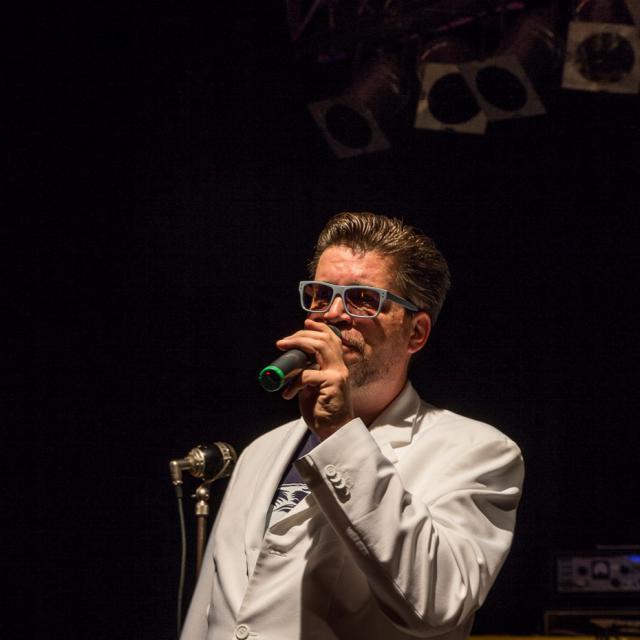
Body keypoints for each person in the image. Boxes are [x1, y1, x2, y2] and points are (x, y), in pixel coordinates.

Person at [180, 212, 524, 640]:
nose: (333, 314)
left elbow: (436, 605)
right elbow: (211, 607)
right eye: (321, 295)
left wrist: (340, 433)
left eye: (363, 299)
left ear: (416, 333)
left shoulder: (477, 451)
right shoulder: (262, 450)